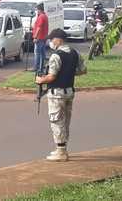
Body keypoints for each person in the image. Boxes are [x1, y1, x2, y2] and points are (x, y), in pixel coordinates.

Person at [35, 29, 87, 162]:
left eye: (52, 39)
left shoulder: (56, 55)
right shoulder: (75, 53)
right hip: (69, 92)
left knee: (57, 121)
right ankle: (62, 149)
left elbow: (51, 77)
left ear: (59, 39)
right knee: (65, 121)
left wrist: (40, 80)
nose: (51, 42)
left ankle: (61, 152)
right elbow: (82, 70)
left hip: (57, 94)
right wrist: (67, 73)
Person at [32, 3, 49, 73]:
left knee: (37, 53)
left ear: (39, 10)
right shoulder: (45, 16)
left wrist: (35, 37)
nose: (37, 11)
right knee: (42, 53)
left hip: (39, 38)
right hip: (43, 37)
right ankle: (41, 68)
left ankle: (37, 67)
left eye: (37, 10)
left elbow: (39, 27)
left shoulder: (41, 17)